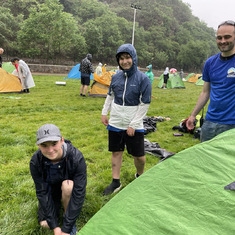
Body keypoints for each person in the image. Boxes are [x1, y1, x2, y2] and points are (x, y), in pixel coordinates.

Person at [101, 43, 152, 195]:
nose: (125, 62)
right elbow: (110, 96)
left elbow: (145, 104)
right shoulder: (115, 77)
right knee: (116, 152)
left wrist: (134, 124)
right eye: (121, 59)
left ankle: (140, 176)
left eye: (127, 58)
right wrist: (104, 112)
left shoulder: (143, 79)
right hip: (115, 122)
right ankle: (115, 182)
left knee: (140, 156)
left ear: (133, 58)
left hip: (134, 123)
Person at [30, 124, 87, 235]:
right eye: (44, 145)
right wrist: (55, 227)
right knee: (45, 224)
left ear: (61, 141)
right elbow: (42, 192)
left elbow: (79, 193)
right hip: (50, 192)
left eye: (54, 144)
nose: (50, 150)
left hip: (68, 190)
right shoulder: (35, 162)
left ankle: (68, 216)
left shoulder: (77, 157)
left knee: (68, 186)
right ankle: (56, 208)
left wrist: (66, 229)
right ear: (38, 145)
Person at [186, 20, 235, 142]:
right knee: (206, 158)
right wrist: (193, 115)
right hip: (210, 122)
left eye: (227, 37)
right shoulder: (210, 63)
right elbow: (205, 92)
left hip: (232, 124)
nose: (223, 41)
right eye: (219, 38)